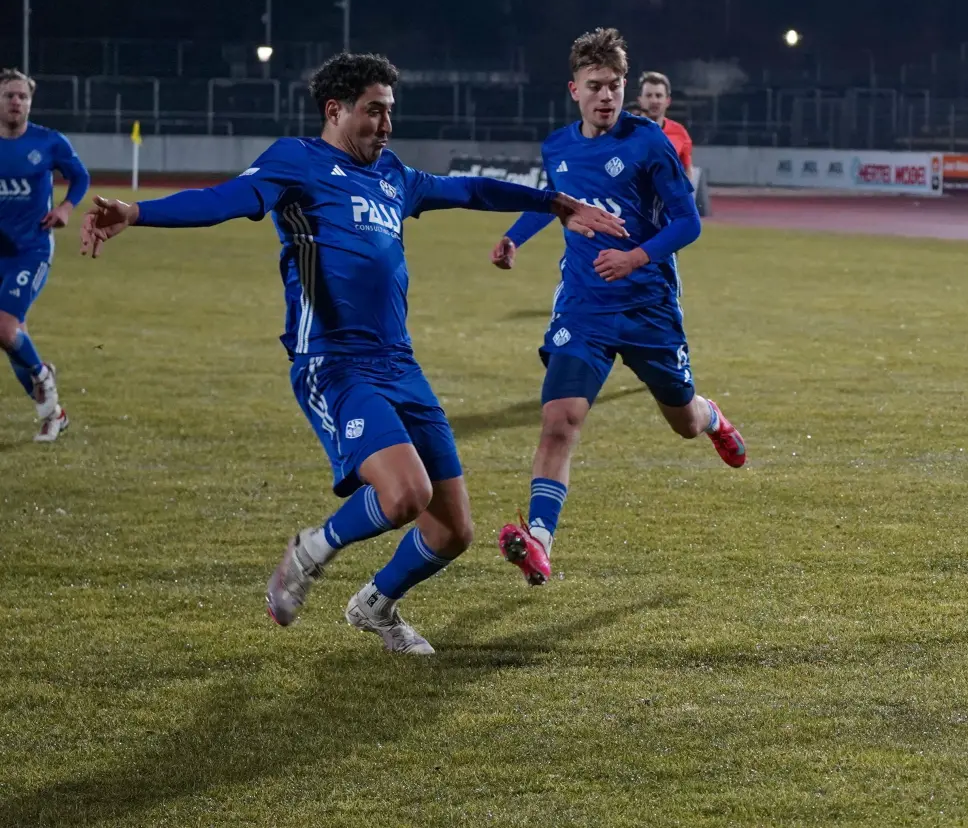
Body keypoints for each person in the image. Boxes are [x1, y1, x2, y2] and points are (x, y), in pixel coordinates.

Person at [79, 53, 624, 655]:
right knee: (404, 496)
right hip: (333, 363)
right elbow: (224, 200)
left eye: (390, 112)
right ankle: (309, 551)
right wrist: (136, 212)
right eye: (374, 111)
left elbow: (465, 189)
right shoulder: (297, 161)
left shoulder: (393, 176)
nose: (386, 125)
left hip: (400, 365)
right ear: (335, 111)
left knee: (453, 532)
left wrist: (556, 204)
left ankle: (376, 606)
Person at [492, 28, 747, 590]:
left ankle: (713, 416)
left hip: (647, 306)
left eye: (614, 85)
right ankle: (539, 541)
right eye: (595, 86)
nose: (606, 96)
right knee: (559, 422)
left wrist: (636, 257)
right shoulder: (558, 147)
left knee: (681, 421)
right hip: (583, 306)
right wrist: (515, 236)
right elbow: (557, 204)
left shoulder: (649, 143)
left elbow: (688, 222)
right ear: (574, 89)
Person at [0, 69, 88, 443]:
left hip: (32, 249)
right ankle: (54, 414)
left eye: (22, 96)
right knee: (11, 335)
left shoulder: (48, 142)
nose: (16, 102)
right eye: (9, 96)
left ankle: (42, 378)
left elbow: (80, 176)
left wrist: (67, 207)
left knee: (5, 327)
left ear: (30, 102)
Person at [637, 71, 692, 172]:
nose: (654, 101)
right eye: (649, 95)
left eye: (658, 95)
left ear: (668, 101)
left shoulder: (680, 133)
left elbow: (686, 171)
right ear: (640, 100)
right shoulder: (624, 131)